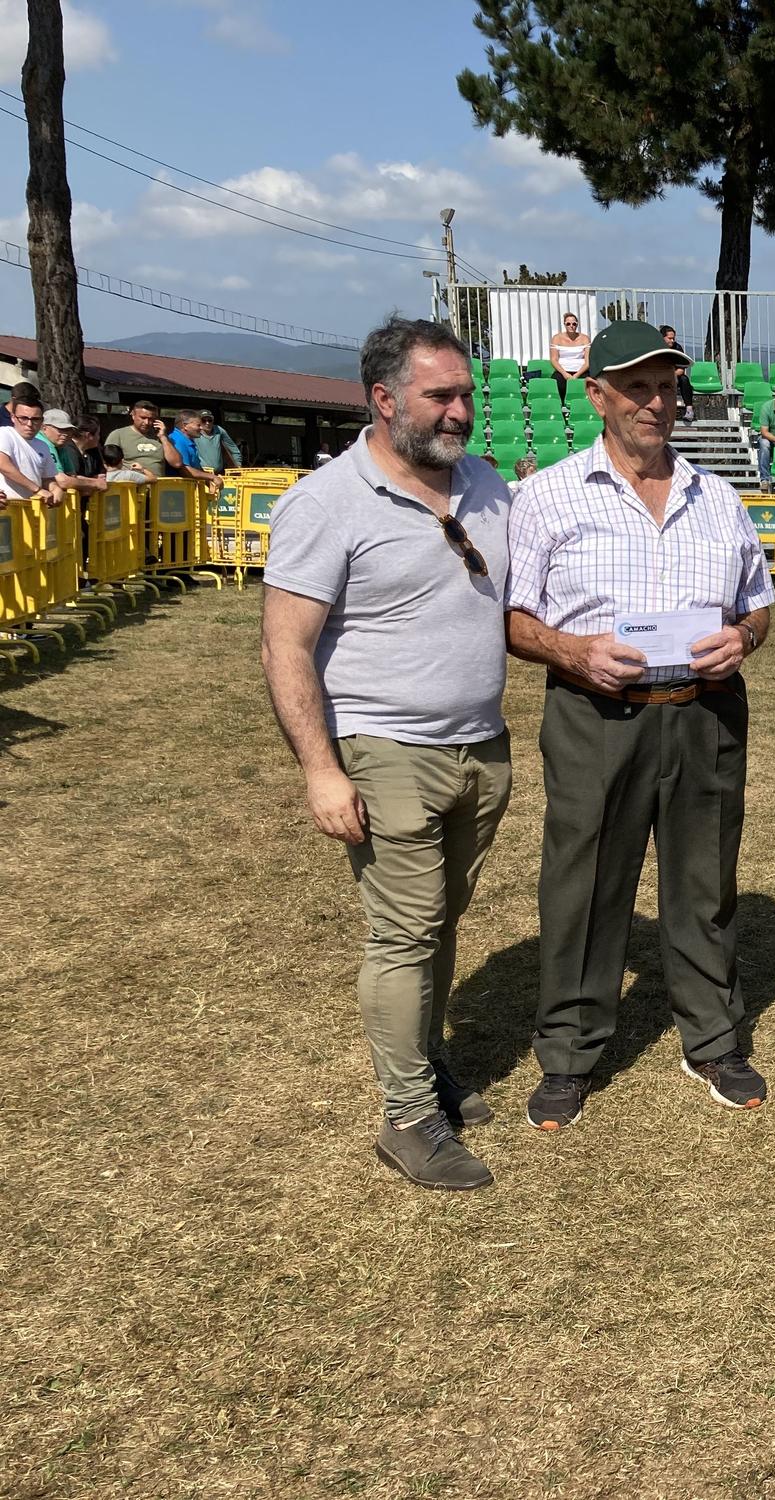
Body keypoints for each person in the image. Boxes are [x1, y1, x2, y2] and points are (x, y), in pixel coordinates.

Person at [261, 316, 513, 1192]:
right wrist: (322, 770)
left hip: (482, 749)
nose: (459, 412)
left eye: (466, 395)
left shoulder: (485, 484)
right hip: (383, 749)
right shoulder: (326, 502)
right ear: (383, 399)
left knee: (442, 920)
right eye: (439, 396)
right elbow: (285, 647)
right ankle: (409, 1118)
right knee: (405, 931)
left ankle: (426, 1060)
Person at [505, 320, 775, 1128]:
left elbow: (759, 606)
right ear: (597, 395)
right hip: (596, 714)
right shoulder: (548, 495)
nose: (656, 403)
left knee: (705, 883)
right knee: (583, 883)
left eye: (667, 387)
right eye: (637, 388)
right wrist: (573, 651)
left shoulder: (717, 496)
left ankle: (715, 1038)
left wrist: (744, 639)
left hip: (704, 715)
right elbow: (514, 619)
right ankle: (571, 1051)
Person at [2, 383, 59, 505]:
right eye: (23, 418)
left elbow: (47, 478)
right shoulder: (4, 434)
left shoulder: (43, 446)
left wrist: (55, 489)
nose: (29, 424)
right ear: (13, 417)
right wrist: (37, 490)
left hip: (34, 513)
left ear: (42, 421)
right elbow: (3, 465)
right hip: (8, 513)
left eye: (35, 419)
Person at [104, 400, 182, 480]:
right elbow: (108, 464)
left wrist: (163, 437)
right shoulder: (118, 435)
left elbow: (177, 463)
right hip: (131, 487)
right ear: (133, 415)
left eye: (151, 419)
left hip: (158, 487)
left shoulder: (161, 437)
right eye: (143, 418)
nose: (147, 422)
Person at [167, 410, 219, 484]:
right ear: (185, 426)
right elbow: (185, 470)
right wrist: (212, 477)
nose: (201, 428)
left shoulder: (187, 440)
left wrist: (208, 481)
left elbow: (195, 467)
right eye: (198, 425)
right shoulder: (177, 440)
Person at [548, 311, 589, 400]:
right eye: (568, 324)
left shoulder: (585, 338)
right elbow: (554, 359)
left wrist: (576, 375)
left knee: (589, 386)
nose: (571, 326)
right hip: (562, 371)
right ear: (564, 324)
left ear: (577, 325)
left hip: (581, 371)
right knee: (557, 385)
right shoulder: (556, 338)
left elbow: (587, 361)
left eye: (574, 324)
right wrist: (565, 374)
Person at [659, 325, 697, 420]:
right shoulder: (656, 348)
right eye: (670, 338)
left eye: (673, 338)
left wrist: (671, 375)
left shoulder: (677, 348)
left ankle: (689, 410)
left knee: (684, 379)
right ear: (662, 337)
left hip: (673, 376)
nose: (672, 341)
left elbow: (681, 370)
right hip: (658, 377)